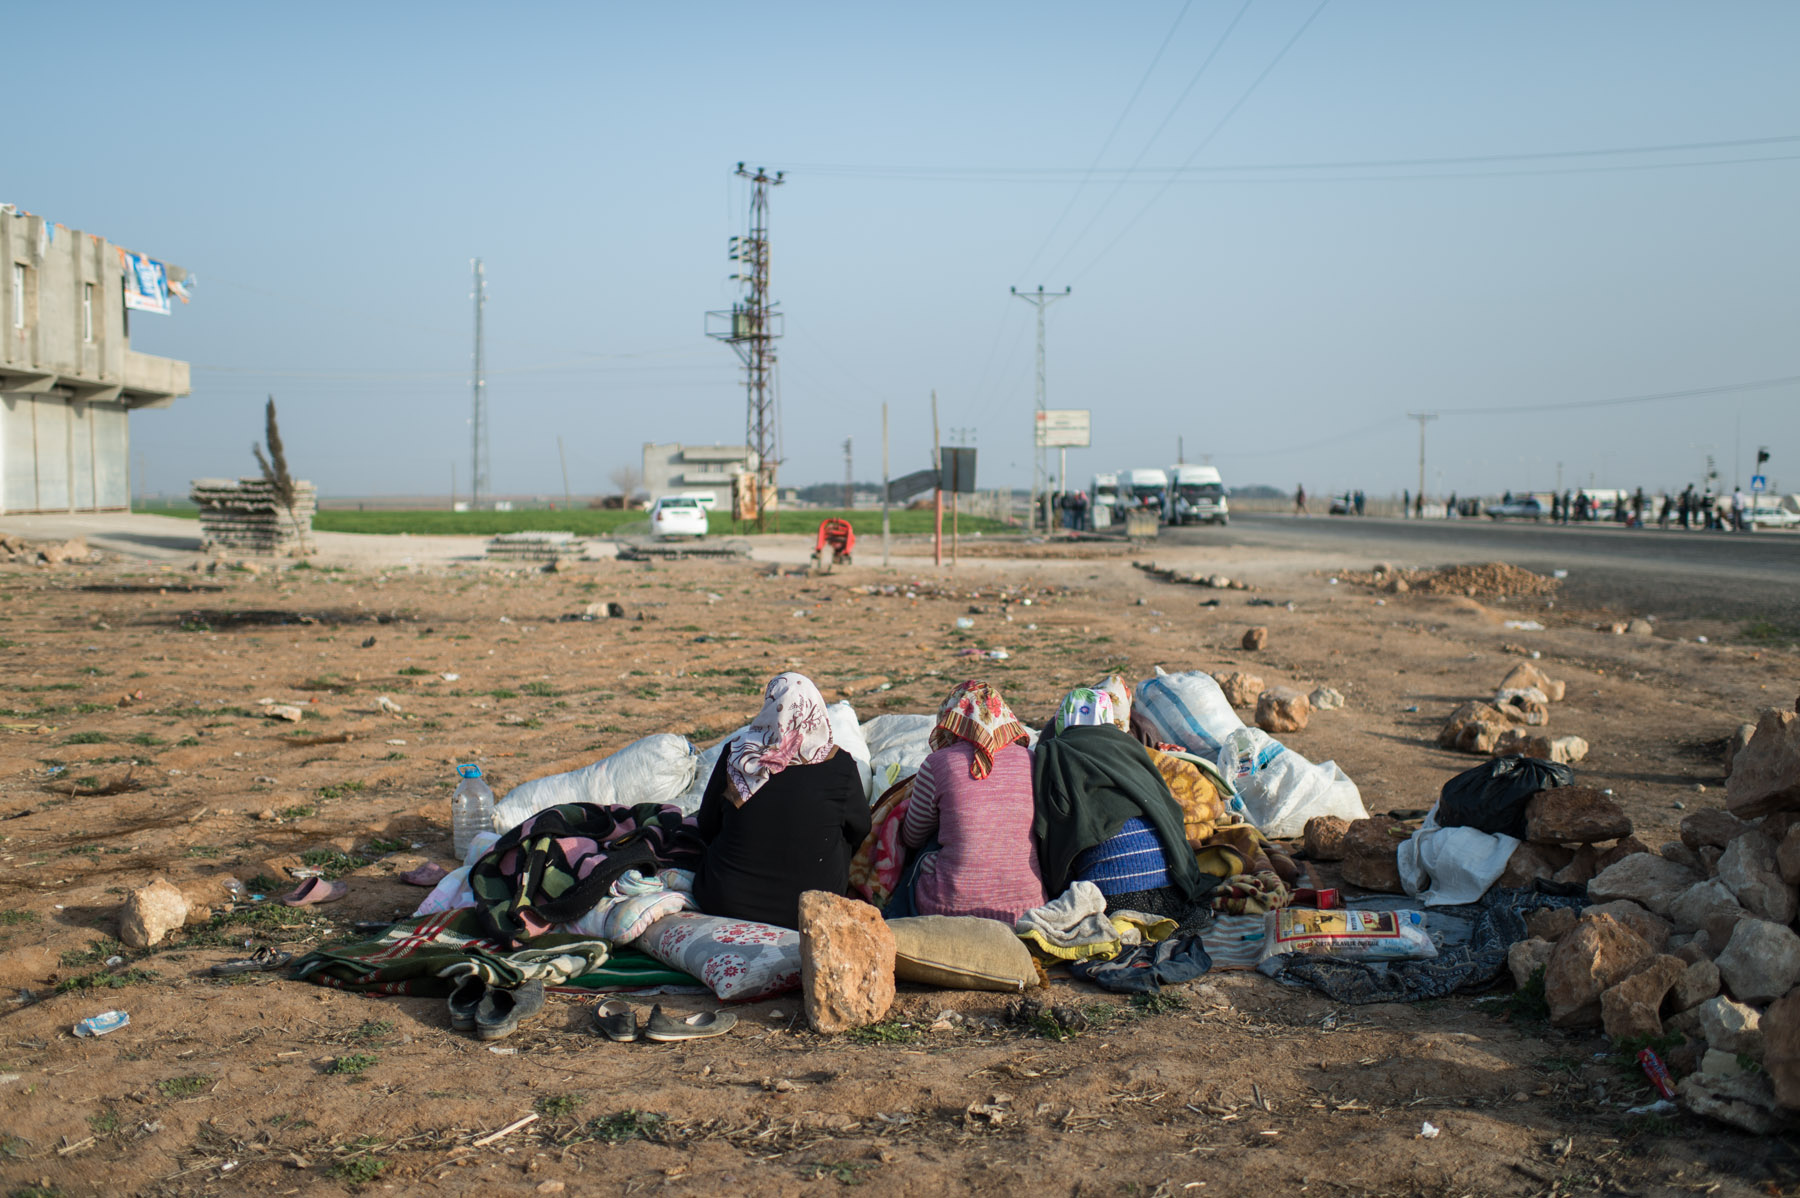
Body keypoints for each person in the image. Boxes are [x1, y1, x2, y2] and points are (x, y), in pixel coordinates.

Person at [692, 672, 870, 929]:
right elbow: (860, 829)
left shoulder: (737, 755)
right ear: (815, 709)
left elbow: (707, 825)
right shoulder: (839, 764)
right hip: (810, 910)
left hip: (725, 901)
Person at [1032, 687, 1213, 925]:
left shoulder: (1053, 753)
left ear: (1061, 720)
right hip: (1169, 893)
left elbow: (1050, 827)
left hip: (1106, 900)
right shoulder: (1131, 748)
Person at [891, 681, 1044, 923]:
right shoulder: (1032, 760)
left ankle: (892, 919)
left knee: (929, 845)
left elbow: (912, 837)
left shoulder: (938, 764)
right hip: (1028, 909)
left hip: (950, 907)